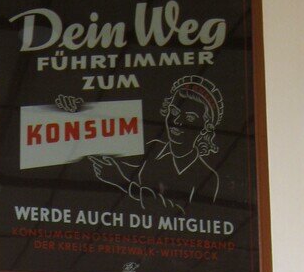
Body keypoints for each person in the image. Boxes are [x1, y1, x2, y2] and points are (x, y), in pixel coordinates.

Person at [90, 74, 224, 215]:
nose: (177, 121)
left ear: (205, 127)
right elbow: (123, 166)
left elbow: (181, 216)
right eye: (174, 111)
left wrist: (116, 178)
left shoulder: (207, 177)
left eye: (190, 117)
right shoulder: (154, 149)